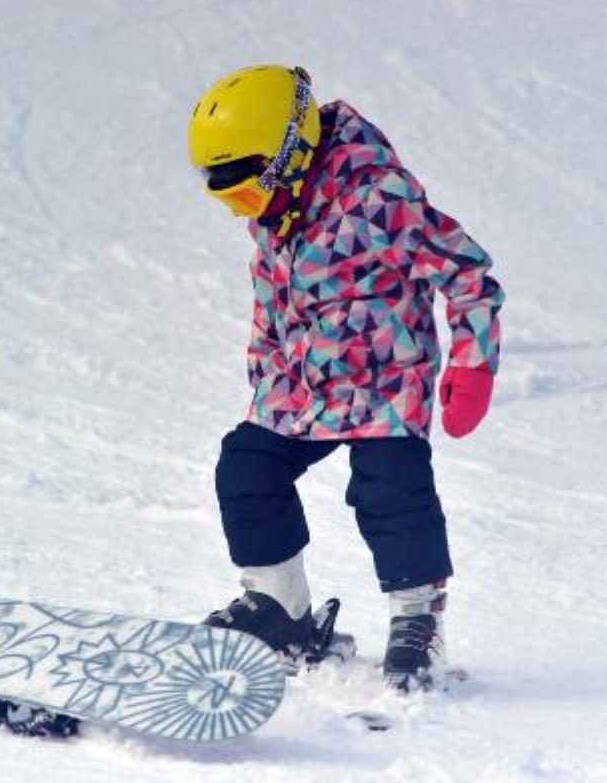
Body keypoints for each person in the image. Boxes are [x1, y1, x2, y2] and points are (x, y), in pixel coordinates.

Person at [187, 65, 504, 692]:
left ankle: (417, 621)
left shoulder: (379, 198)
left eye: (245, 195)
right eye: (229, 200)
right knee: (246, 468)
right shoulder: (276, 212)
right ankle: (281, 611)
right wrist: (264, 368)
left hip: (385, 382)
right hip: (301, 385)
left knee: (390, 490)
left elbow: (468, 274)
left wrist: (473, 364)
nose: (243, 212)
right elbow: (271, 300)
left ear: (289, 157)